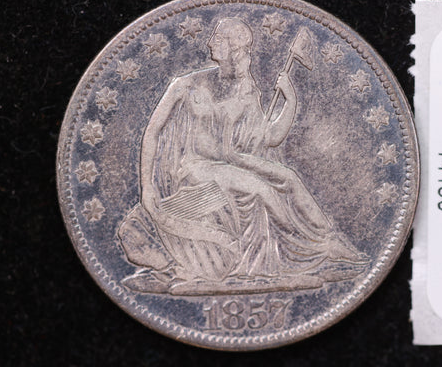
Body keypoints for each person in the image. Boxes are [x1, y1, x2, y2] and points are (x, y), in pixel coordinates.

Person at [118, 18, 365, 294]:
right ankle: (310, 246)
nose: (210, 43)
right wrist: (147, 187)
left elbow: (270, 138)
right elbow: (152, 132)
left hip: (230, 161)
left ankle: (328, 241)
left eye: (217, 38)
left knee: (288, 177)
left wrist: (290, 101)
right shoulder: (186, 84)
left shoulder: (246, 90)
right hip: (195, 168)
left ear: (233, 49)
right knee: (261, 189)